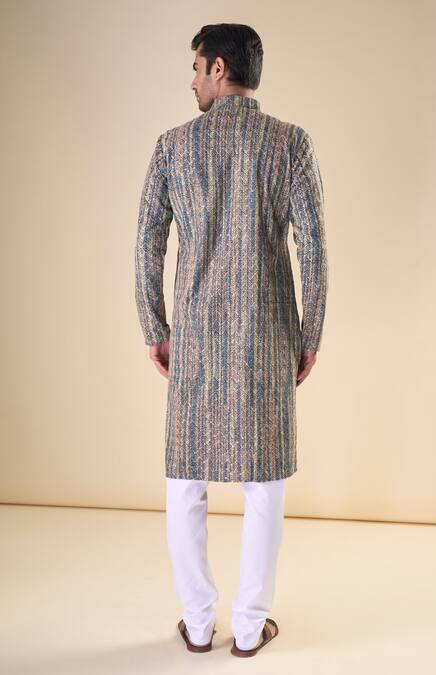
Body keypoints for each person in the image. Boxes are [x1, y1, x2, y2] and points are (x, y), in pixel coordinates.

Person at [134, 23, 328, 657]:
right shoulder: (290, 144)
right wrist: (310, 333)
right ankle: (248, 627)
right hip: (266, 336)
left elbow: (148, 243)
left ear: (219, 68)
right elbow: (314, 249)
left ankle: (197, 624)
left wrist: (156, 326)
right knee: (264, 483)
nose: (192, 80)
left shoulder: (173, 146)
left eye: (196, 68)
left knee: (185, 478)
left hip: (193, 334)